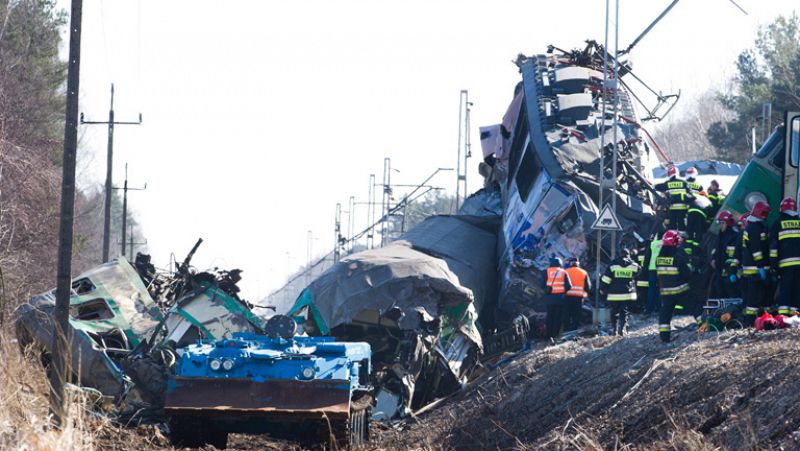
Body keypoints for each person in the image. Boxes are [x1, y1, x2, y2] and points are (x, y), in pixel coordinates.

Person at [656, 230, 693, 343]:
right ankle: (703, 328)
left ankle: (664, 337)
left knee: (665, 314)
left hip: (665, 292)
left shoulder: (659, 258)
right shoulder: (677, 256)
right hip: (680, 290)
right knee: (695, 306)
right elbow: (686, 274)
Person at [741, 201, 772, 326]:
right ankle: (749, 323)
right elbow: (756, 249)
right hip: (755, 268)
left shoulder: (758, 225)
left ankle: (765, 320)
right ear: (759, 212)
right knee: (754, 298)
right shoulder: (754, 227)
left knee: (763, 296)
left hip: (758, 267)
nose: (766, 215)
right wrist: (760, 266)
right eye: (764, 212)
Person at [770, 197, 800, 315]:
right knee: (797, 289)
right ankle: (796, 316)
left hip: (785, 265)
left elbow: (773, 248)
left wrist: (773, 266)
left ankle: (783, 316)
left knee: (785, 290)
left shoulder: (778, 222)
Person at [600, 249, 639, 335]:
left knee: (614, 311)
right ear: (628, 255)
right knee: (624, 311)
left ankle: (614, 329)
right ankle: (622, 329)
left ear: (619, 254)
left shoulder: (613, 264)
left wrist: (602, 288)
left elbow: (606, 279)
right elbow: (639, 272)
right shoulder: (633, 265)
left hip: (614, 294)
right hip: (627, 293)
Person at [655, 165, 694, 231]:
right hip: (683, 209)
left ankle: (672, 239)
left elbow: (658, 187)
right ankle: (682, 239)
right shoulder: (684, 182)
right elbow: (690, 195)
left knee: (672, 225)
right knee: (682, 225)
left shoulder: (667, 183)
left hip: (672, 209)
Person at [712, 210, 741, 298]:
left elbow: (736, 254)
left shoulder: (735, 237)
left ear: (728, 223)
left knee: (731, 292)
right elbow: (716, 250)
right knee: (719, 290)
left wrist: (732, 270)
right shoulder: (720, 236)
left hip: (730, 271)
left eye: (723, 223)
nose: (721, 225)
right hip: (720, 271)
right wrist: (713, 259)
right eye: (720, 223)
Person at [543, 257, 572, 339]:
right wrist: (562, 291)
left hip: (549, 298)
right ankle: (555, 335)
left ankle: (548, 336)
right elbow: (568, 286)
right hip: (560, 299)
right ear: (560, 264)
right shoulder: (564, 272)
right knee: (558, 318)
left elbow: (542, 285)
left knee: (549, 317)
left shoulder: (546, 272)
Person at [564, 257, 591, 331]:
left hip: (568, 296)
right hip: (579, 297)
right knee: (576, 314)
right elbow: (588, 287)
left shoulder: (566, 272)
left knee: (567, 313)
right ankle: (574, 329)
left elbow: (563, 284)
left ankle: (566, 329)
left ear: (570, 264)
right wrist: (586, 294)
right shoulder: (583, 272)